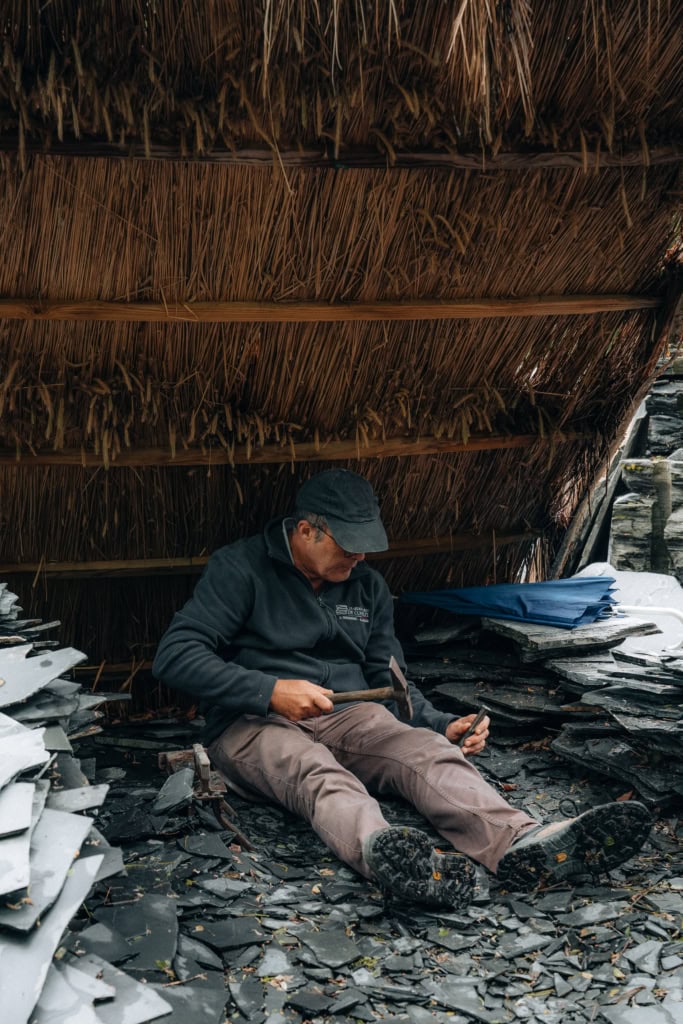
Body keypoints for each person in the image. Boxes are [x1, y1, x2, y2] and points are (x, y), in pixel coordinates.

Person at [153, 469, 651, 908]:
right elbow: (175, 657)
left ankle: (523, 844)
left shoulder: (365, 584)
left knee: (427, 753)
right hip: (252, 722)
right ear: (307, 531)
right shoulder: (240, 569)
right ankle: (392, 857)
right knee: (317, 774)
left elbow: (389, 679)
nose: (360, 555)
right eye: (348, 546)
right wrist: (268, 690)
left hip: (349, 715)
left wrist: (440, 724)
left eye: (364, 544)